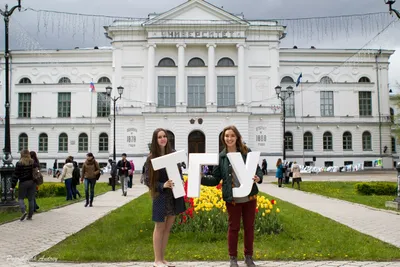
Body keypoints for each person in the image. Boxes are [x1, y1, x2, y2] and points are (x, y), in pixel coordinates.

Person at [201, 125, 263, 267]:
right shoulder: (222, 157)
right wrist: (200, 179)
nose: (229, 138)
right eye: (226, 136)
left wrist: (258, 178)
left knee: (249, 227)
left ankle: (248, 257)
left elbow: (258, 170)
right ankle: (233, 259)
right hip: (233, 198)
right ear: (223, 138)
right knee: (233, 227)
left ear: (237, 137)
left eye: (232, 136)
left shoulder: (246, 153)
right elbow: (216, 179)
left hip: (249, 197)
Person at [145, 128, 186, 267]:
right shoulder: (151, 158)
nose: (163, 139)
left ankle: (163, 259)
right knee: (159, 227)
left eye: (164, 136)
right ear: (155, 140)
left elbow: (179, 173)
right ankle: (157, 260)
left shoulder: (173, 155)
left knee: (167, 229)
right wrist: (163, 185)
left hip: (174, 196)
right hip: (160, 196)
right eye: (159, 137)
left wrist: (181, 180)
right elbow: (147, 180)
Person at [10, 149, 36, 221]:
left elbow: (15, 175)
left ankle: (24, 211)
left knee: (21, 198)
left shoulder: (19, 163)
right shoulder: (32, 162)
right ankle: (30, 216)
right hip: (32, 182)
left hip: (23, 182)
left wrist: (12, 186)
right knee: (31, 199)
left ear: (21, 154)